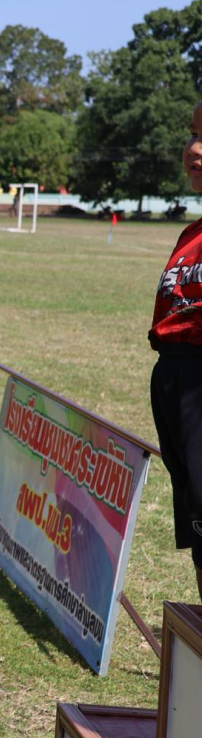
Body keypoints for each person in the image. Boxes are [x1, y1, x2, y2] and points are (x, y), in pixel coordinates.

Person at [149, 98, 202, 603]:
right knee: (196, 518)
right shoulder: (191, 234)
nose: (194, 148)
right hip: (175, 380)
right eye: (193, 133)